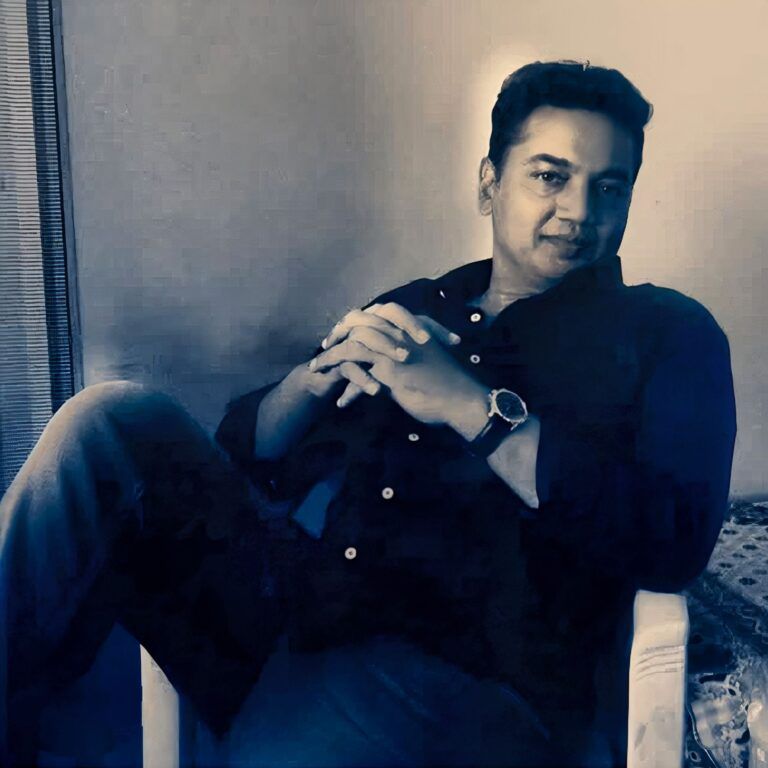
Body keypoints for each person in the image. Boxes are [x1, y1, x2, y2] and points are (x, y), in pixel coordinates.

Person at [0, 61, 737, 767]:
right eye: (551, 176)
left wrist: (471, 408)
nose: (578, 211)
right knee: (113, 422)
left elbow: (670, 542)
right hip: (302, 612)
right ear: (490, 184)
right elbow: (250, 461)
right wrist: (315, 378)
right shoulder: (419, 306)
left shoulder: (667, 333)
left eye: (608, 187)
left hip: (472, 680)